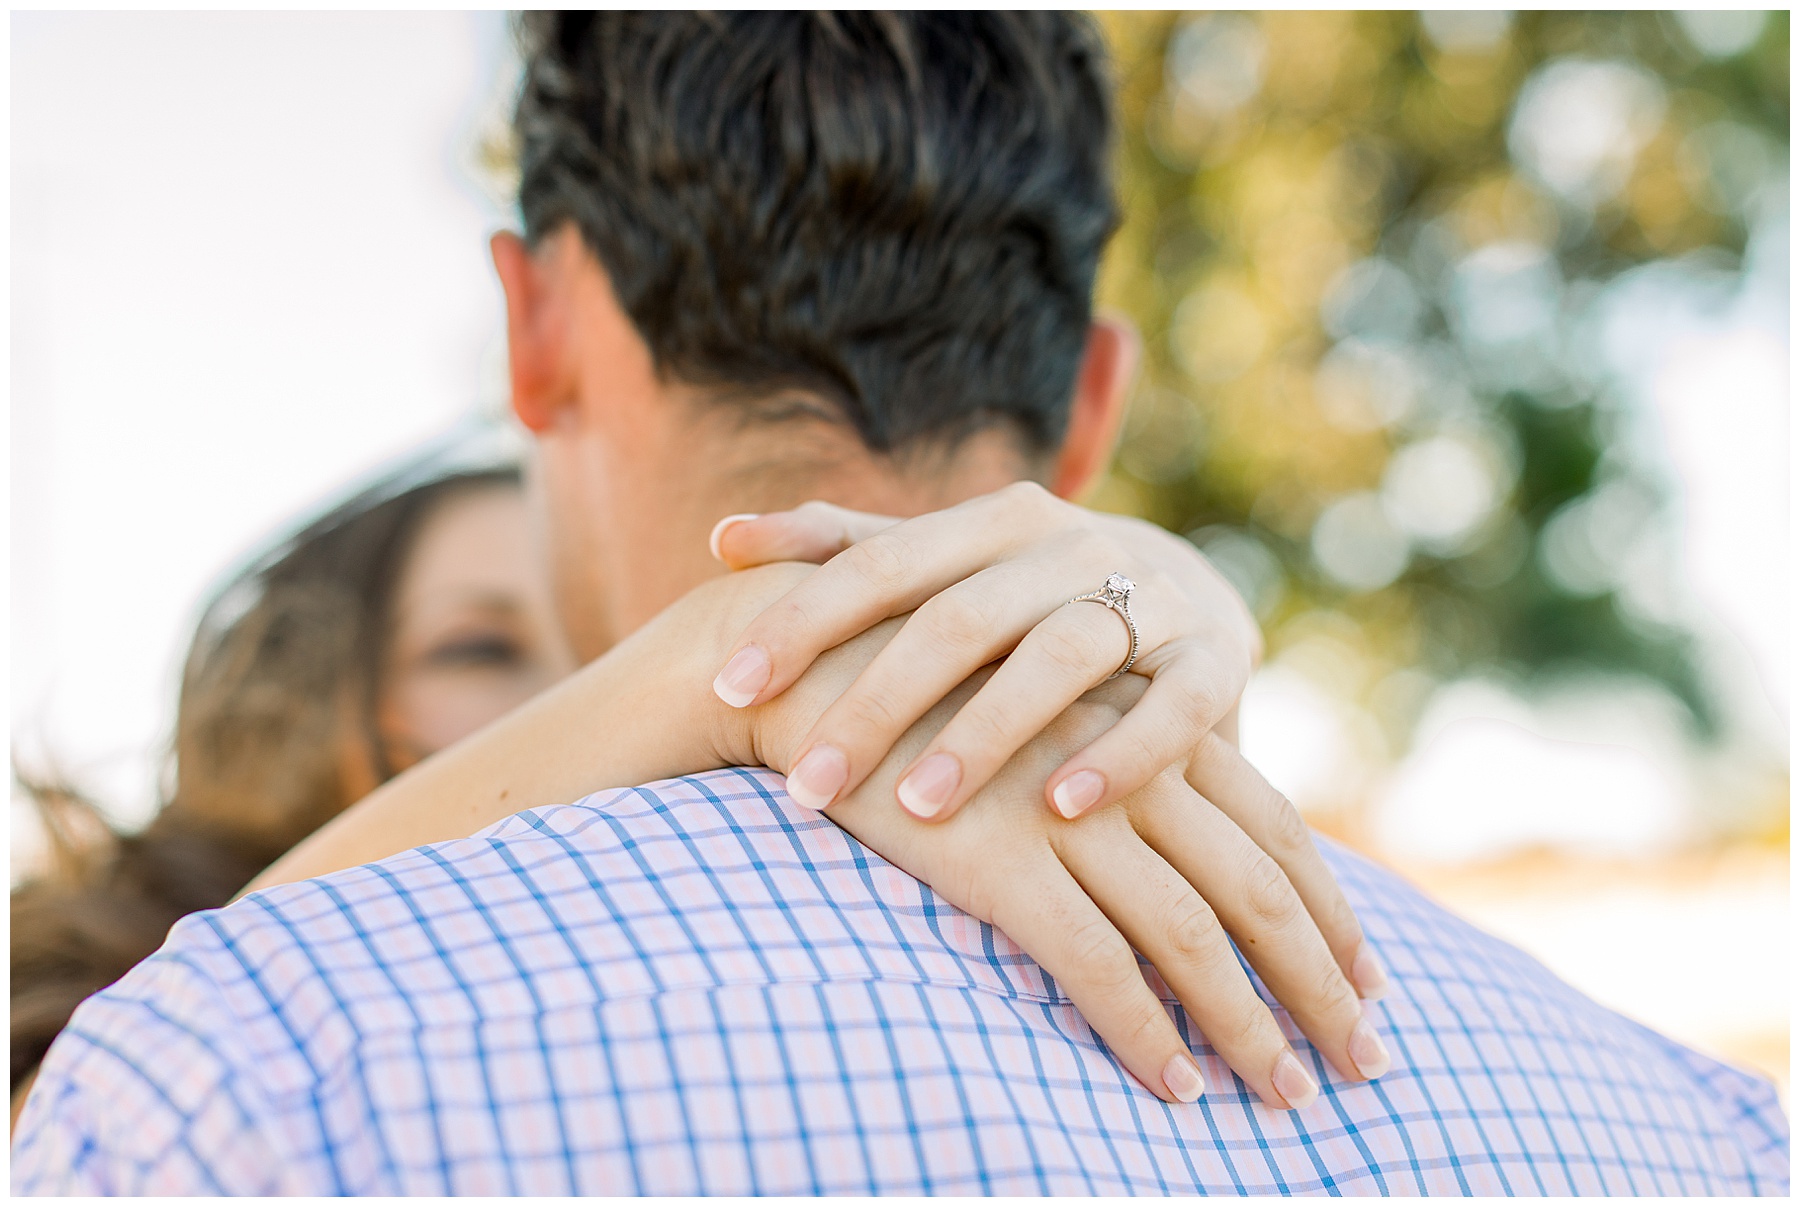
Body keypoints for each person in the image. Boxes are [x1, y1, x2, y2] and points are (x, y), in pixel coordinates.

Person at [11, 12, 1786, 1195]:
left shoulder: (256, 1071)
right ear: (1094, 395)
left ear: (537, 327)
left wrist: (746, 647)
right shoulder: (1695, 1122)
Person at [9, 429, 573, 1126]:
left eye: (615, 649)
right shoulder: (95, 1001)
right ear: (301, 699)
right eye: (481, 648)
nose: (588, 689)